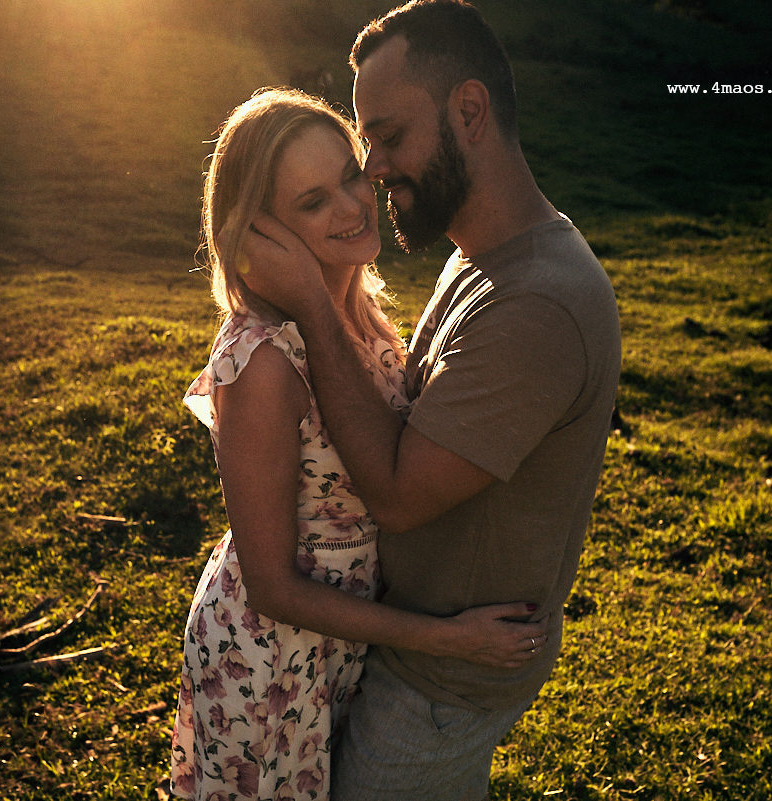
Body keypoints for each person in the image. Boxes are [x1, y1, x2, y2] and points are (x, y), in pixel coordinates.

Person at [236, 2, 623, 799]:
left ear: (470, 112)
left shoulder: (536, 305)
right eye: (362, 144)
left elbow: (399, 495)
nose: (373, 168)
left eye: (388, 136)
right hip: (396, 658)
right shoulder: (477, 254)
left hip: (438, 686)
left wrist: (311, 302)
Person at [168, 87, 550, 800]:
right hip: (270, 665)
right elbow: (272, 586)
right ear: (260, 234)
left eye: (350, 174)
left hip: (343, 646)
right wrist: (448, 637)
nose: (352, 203)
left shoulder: (361, 314)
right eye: (313, 202)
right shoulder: (264, 363)